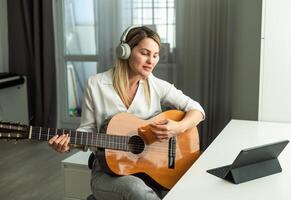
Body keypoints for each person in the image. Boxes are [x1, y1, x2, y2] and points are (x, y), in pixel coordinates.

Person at [49, 25, 205, 200]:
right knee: (135, 189)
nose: (151, 61)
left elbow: (197, 109)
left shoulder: (155, 85)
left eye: (155, 55)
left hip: (153, 169)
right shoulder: (96, 84)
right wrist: (69, 143)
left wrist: (178, 127)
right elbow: (86, 131)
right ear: (125, 51)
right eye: (145, 53)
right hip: (108, 172)